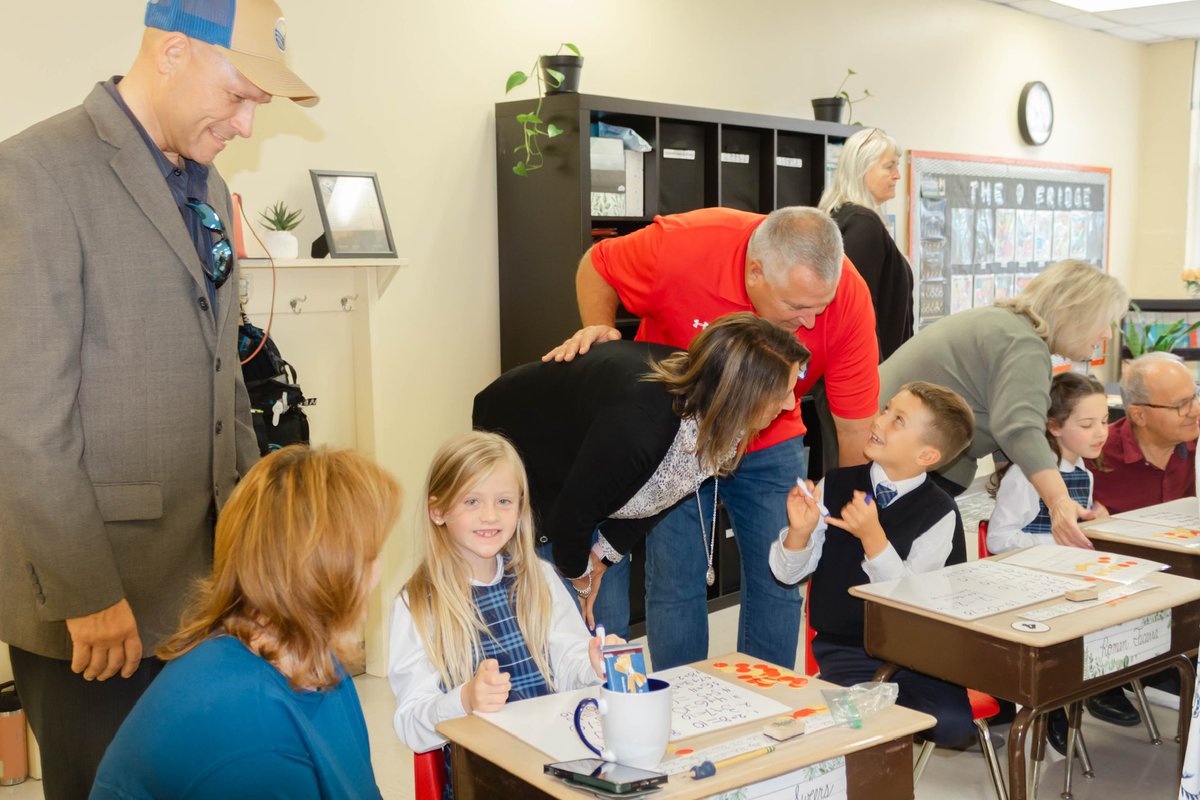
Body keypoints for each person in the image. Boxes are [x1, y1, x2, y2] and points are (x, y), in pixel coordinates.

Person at [0, 1, 317, 795]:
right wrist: (87, 593)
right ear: (174, 51)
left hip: (200, 590)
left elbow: (223, 387)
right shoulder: (35, 173)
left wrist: (255, 563)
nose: (247, 124)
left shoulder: (201, 181)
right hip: (97, 603)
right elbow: (24, 417)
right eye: (240, 95)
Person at [544, 205, 880, 671]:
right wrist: (602, 331)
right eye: (797, 308)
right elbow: (597, 265)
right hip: (677, 438)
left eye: (818, 309)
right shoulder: (684, 247)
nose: (808, 323)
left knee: (781, 577)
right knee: (676, 580)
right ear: (755, 273)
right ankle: (682, 708)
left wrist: (848, 520)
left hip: (771, 440)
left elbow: (854, 427)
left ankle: (766, 703)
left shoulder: (849, 298)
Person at [473, 313, 810, 636]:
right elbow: (569, 517)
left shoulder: (718, 414)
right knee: (568, 626)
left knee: (606, 628)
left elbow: (662, 493)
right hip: (526, 444)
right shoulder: (640, 429)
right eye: (781, 393)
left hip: (589, 462)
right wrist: (581, 579)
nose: (789, 404)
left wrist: (602, 558)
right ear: (743, 395)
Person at [91, 446, 400, 798]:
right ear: (319, 574)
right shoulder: (253, 737)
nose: (377, 576)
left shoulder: (313, 656)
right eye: (369, 558)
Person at [388, 432, 620, 796]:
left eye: (504, 501)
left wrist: (593, 664)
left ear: (520, 508)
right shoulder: (417, 605)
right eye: (472, 501)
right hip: (484, 784)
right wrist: (464, 700)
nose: (490, 516)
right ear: (438, 510)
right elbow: (410, 726)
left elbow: (569, 663)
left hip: (559, 767)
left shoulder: (537, 578)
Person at [768, 382, 976, 747]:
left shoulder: (939, 512)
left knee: (953, 726)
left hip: (920, 654)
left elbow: (913, 602)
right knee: (862, 727)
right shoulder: (835, 484)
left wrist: (873, 538)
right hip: (847, 649)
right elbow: (786, 573)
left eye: (898, 420)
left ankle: (889, 728)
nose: (879, 422)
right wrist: (798, 534)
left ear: (927, 455)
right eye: (886, 410)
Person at [879, 259, 1128, 551]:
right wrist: (1059, 502)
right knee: (941, 567)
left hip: (897, 452)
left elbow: (1003, 420)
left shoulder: (1005, 326)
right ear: (1076, 315)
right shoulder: (1024, 345)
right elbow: (1019, 428)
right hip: (900, 459)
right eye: (1104, 323)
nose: (1107, 335)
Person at [1085, 352, 1199, 731]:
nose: (1193, 410)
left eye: (1195, 397)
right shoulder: (1096, 453)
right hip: (1116, 589)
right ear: (1139, 414)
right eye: (1181, 404)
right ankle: (1104, 683)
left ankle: (1169, 666)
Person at [987, 372, 1110, 554]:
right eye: (1087, 425)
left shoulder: (1085, 474)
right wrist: (1059, 541)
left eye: (1105, 421)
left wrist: (1094, 520)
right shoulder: (1025, 475)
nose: (1101, 432)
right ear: (1054, 426)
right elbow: (998, 540)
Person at [818, 127, 912, 361]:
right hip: (869, 372)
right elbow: (859, 311)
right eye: (889, 166)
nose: (897, 175)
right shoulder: (864, 225)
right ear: (862, 169)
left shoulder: (840, 216)